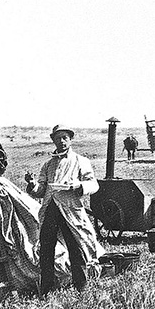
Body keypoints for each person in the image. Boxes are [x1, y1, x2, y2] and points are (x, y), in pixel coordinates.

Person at [24, 125, 102, 295]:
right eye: (57, 138)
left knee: (76, 247)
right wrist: (32, 184)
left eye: (64, 137)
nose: (61, 141)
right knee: (46, 250)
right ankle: (46, 288)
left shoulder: (80, 161)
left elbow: (93, 184)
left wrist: (79, 186)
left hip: (70, 211)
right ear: (53, 140)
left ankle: (81, 286)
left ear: (70, 139)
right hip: (50, 210)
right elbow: (41, 190)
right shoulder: (48, 164)